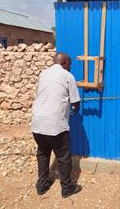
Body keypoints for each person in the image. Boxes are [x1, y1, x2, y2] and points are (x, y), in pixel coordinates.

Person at [31, 52, 81, 198]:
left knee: (43, 153)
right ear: (64, 62)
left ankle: (42, 185)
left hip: (37, 123)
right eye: (70, 63)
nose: (70, 66)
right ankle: (67, 188)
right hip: (55, 124)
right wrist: (72, 111)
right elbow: (75, 103)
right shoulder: (67, 76)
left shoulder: (43, 74)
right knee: (63, 156)